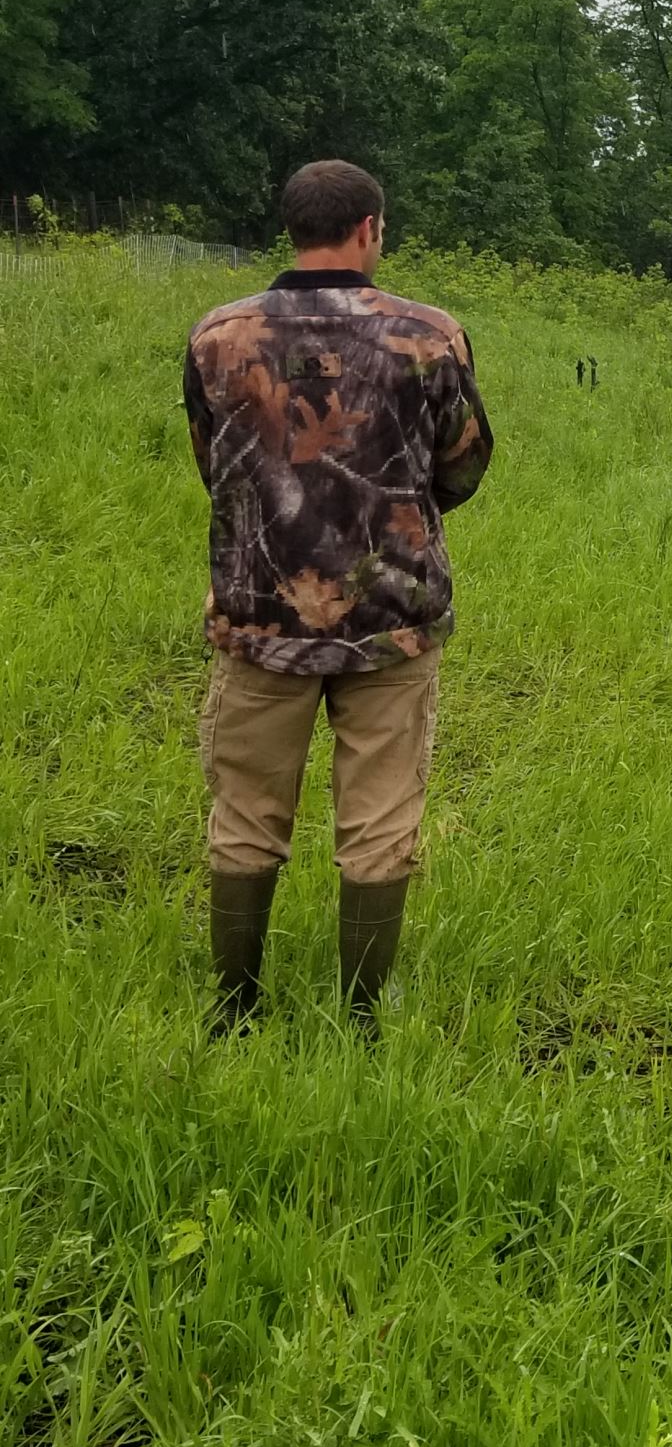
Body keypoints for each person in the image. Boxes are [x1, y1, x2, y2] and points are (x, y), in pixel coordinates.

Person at [182, 160, 494, 1032]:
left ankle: (234, 1009)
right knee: (380, 816)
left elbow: (215, 467)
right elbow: (461, 467)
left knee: (246, 812)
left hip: (260, 616)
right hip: (389, 617)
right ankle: (361, 1014)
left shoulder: (219, 336)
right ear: (370, 228)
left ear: (295, 228)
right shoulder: (430, 337)